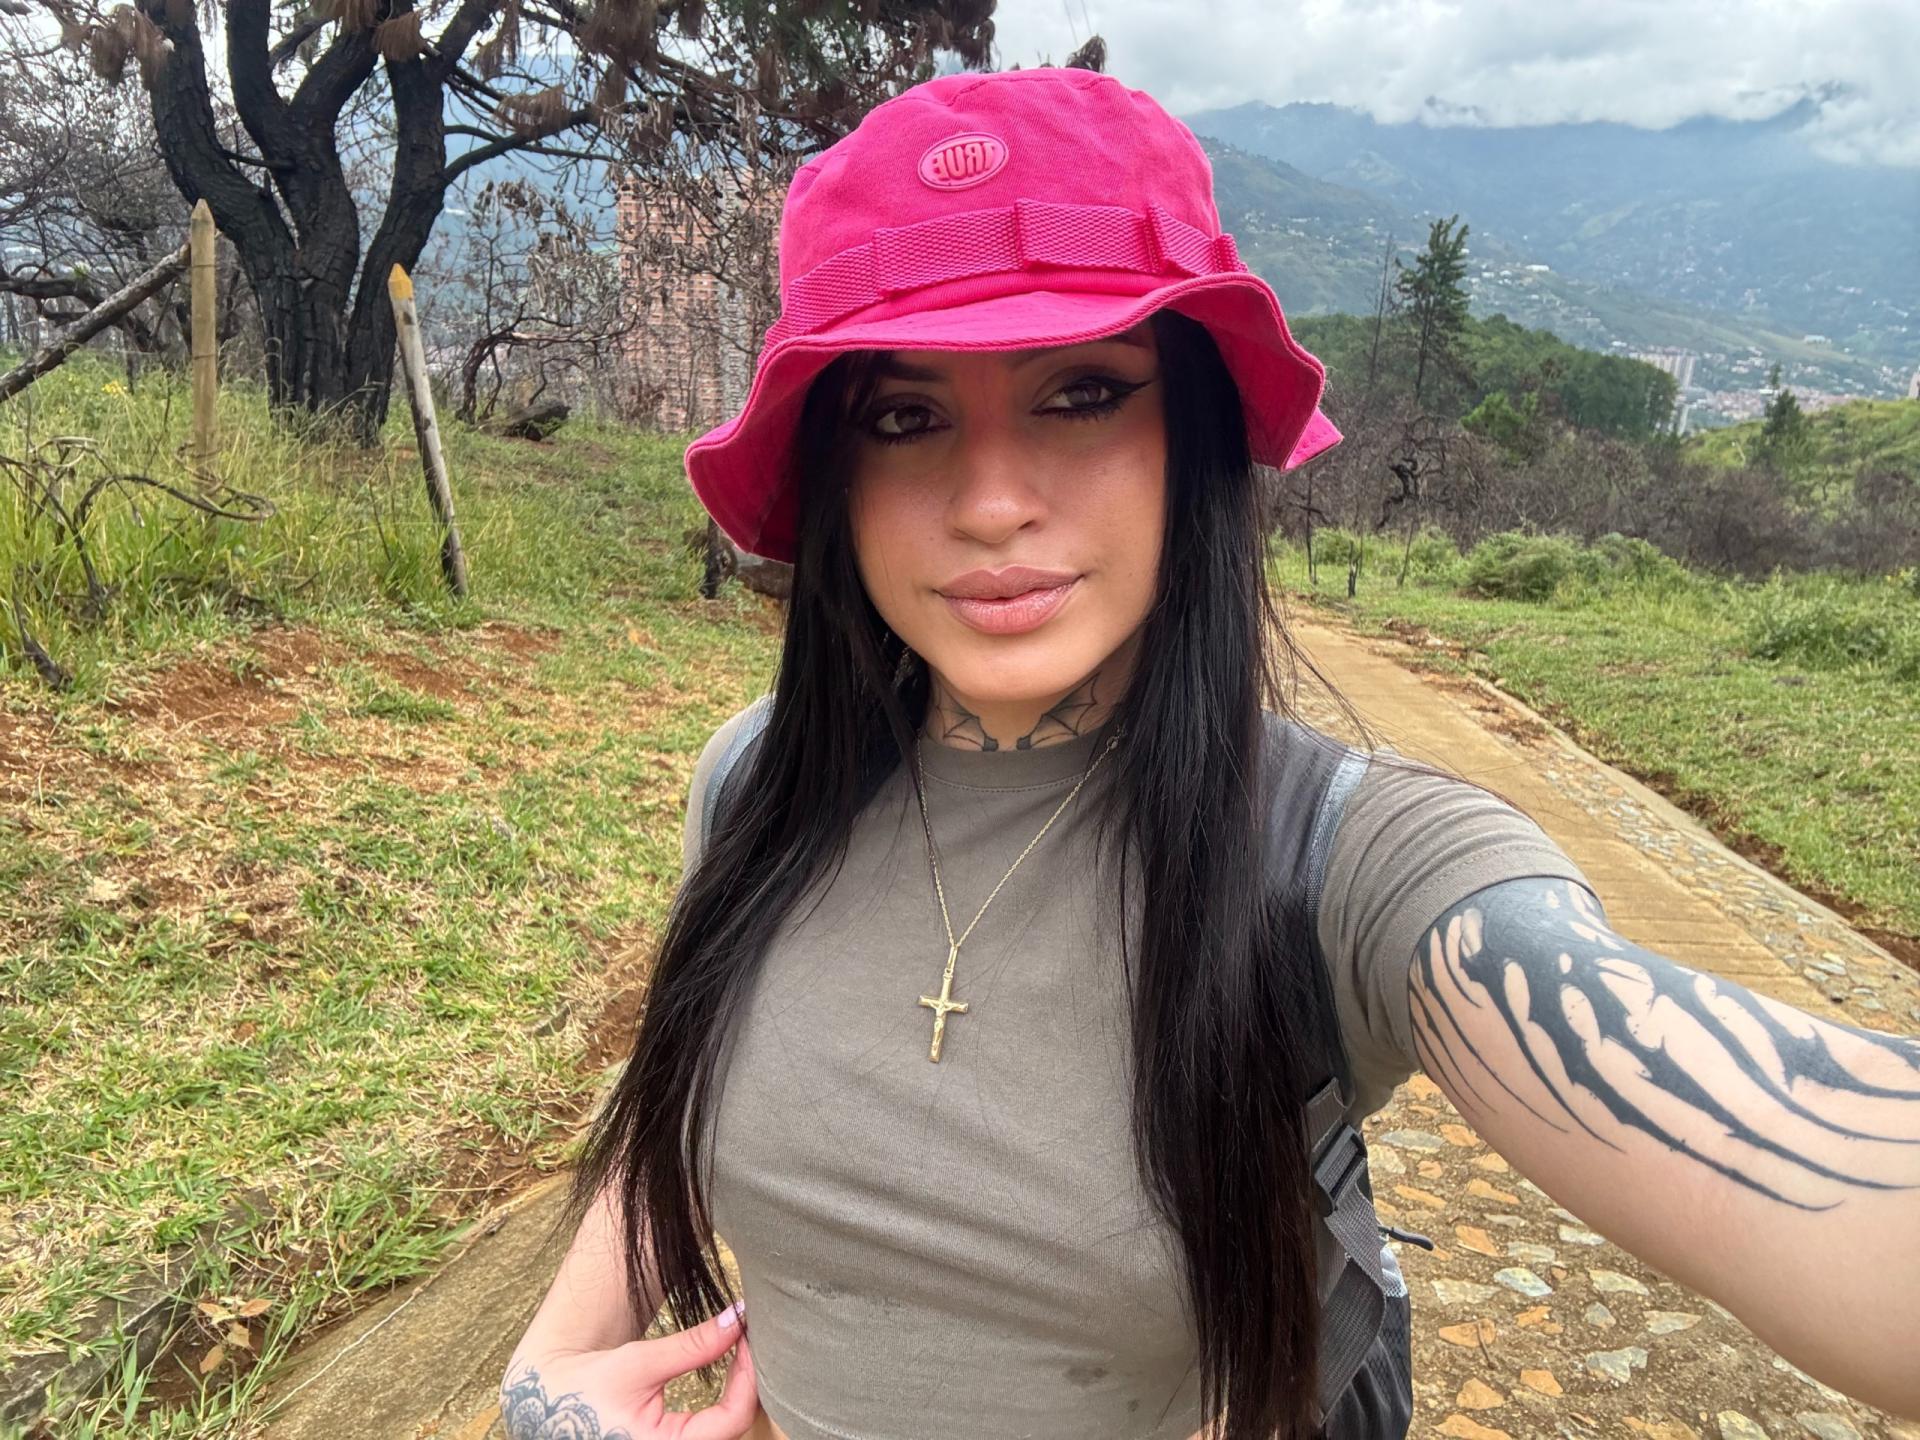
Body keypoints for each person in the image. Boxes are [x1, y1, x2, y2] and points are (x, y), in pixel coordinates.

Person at [498, 67, 1920, 1440]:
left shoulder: (1350, 865)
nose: (991, 501)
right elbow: (688, 1083)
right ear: (836, 470)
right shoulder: (754, 786)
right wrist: (549, 1370)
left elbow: (1761, 1127)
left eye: (1081, 393)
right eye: (905, 415)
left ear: (1194, 429)